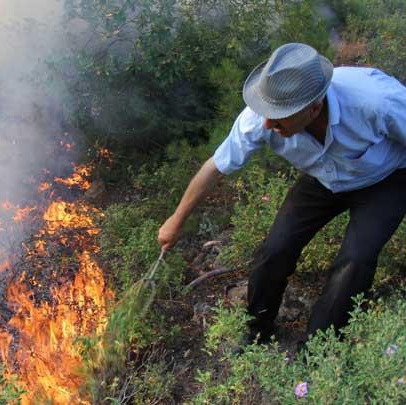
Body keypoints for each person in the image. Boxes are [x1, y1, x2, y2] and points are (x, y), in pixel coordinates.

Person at [157, 42, 406, 342]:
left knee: (355, 260)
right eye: (266, 111)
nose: (267, 122)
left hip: (385, 179)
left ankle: (319, 350)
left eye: (279, 116)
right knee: (274, 250)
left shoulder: (376, 101)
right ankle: (257, 330)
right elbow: (215, 167)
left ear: (314, 108)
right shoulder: (260, 117)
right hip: (324, 179)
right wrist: (176, 219)